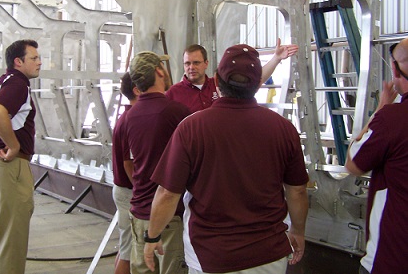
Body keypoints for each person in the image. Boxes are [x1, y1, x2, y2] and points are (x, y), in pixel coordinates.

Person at [144, 44, 309, 274]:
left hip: (211, 256)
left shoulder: (191, 128)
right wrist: (298, 231)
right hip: (269, 254)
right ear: (256, 85)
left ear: (216, 79)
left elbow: (168, 193)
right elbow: (297, 191)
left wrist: (152, 236)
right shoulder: (284, 129)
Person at [345, 38, 408, 274]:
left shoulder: (392, 119)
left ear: (394, 68)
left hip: (392, 258)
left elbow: (353, 163)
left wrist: (381, 109)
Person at [126, 51, 190, 274]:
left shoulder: (130, 116)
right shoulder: (177, 112)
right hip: (168, 215)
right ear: (159, 71)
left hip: (139, 211)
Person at [0, 39, 42, 274]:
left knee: (1, 233)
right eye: (33, 58)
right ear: (18, 62)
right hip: (13, 165)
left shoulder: (3, 81)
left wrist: (0, 132)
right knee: (13, 239)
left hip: (1, 167)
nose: (39, 62)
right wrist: (12, 144)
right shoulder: (18, 84)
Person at [165, 39, 299, 113]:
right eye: (187, 63)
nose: (191, 67)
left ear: (206, 63)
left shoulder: (219, 85)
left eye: (196, 63)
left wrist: (276, 58)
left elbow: (255, 81)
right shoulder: (173, 94)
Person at [112, 72, 140, 274]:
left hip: (124, 189)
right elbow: (128, 163)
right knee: (128, 251)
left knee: (125, 247)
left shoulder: (127, 115)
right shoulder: (132, 119)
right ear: (138, 90)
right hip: (129, 191)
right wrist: (141, 192)